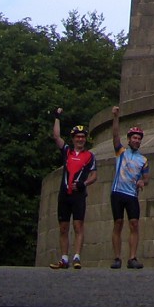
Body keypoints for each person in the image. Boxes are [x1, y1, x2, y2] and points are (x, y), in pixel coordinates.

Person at [50, 108, 97, 269]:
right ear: (73, 138)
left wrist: (84, 184)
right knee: (63, 227)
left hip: (78, 194)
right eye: (77, 137)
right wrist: (57, 117)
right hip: (64, 194)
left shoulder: (90, 156)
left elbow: (94, 175)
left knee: (78, 226)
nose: (80, 139)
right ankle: (64, 258)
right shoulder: (67, 151)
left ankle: (76, 257)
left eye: (83, 137)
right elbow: (56, 137)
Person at [109, 105, 149, 269]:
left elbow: (146, 178)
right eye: (134, 138)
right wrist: (116, 117)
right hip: (117, 192)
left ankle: (132, 257)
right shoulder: (121, 152)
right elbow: (115, 136)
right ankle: (117, 257)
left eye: (139, 139)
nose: (137, 140)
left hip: (132, 195)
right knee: (118, 223)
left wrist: (142, 182)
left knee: (134, 224)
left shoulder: (143, 160)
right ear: (129, 139)